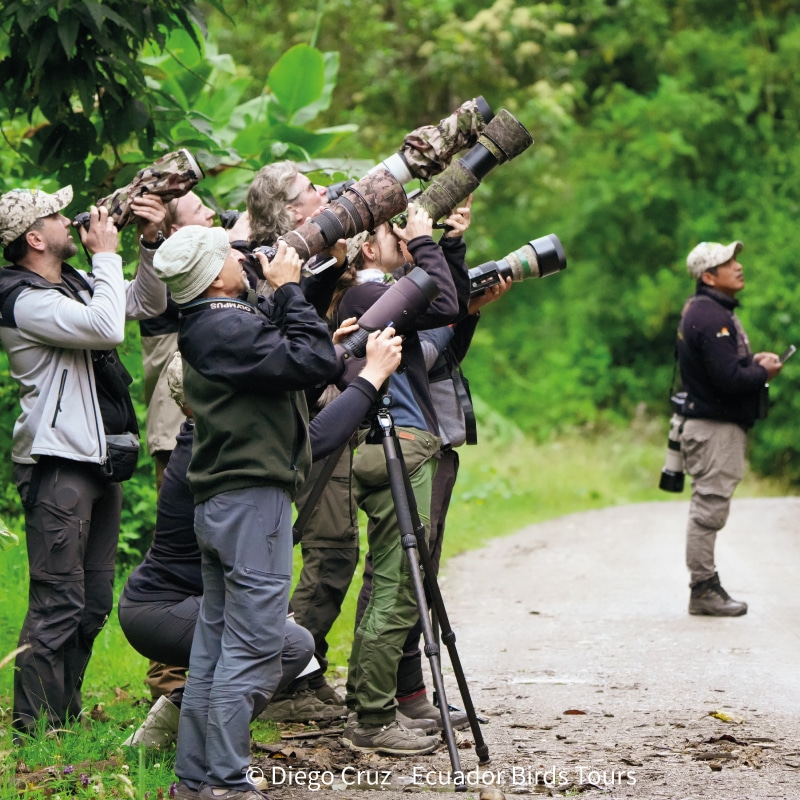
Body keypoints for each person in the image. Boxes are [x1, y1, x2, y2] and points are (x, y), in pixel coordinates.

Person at [118, 328, 404, 750]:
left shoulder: (217, 435)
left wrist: (330, 356)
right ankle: (206, 746)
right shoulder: (208, 448)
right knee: (288, 645)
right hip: (162, 610)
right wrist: (371, 376)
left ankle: (172, 728)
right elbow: (314, 439)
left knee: (280, 642)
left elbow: (288, 417)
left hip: (184, 603)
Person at [151, 224, 341, 799]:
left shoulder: (213, 324)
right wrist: (288, 290)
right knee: (255, 647)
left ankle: (195, 779)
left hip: (225, 503)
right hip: (250, 502)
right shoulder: (224, 325)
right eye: (228, 255)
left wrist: (290, 297)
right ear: (214, 277)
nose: (241, 257)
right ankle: (228, 783)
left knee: (213, 651)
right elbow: (314, 361)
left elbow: (288, 363)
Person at [0, 186, 167, 740]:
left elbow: (144, 304)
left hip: (98, 461)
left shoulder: (69, 283)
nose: (69, 220)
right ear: (34, 236)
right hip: (58, 466)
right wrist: (103, 253)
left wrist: (146, 244)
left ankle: (62, 717)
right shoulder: (21, 299)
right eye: (55, 215)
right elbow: (107, 327)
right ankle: (32, 729)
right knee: (57, 601)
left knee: (92, 603)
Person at [335, 202, 466, 756]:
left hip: (397, 447)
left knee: (393, 585)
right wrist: (426, 239)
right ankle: (370, 716)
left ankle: (375, 703)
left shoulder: (373, 297)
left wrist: (450, 245)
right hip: (400, 449)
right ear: (368, 246)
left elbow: (447, 317)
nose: (406, 240)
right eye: (393, 233)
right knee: (396, 590)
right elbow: (443, 296)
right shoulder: (369, 296)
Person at [246, 161, 354, 720]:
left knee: (324, 554)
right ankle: (281, 684)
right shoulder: (266, 269)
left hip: (311, 418)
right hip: (291, 432)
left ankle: (301, 676)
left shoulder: (307, 259)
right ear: (291, 211)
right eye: (312, 190)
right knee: (323, 553)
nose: (325, 196)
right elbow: (294, 343)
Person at [677, 240, 782, 616]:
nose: (737, 266)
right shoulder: (711, 316)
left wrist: (752, 361)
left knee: (709, 507)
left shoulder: (705, 310)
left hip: (709, 425)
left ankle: (704, 586)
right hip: (713, 429)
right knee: (708, 510)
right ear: (709, 276)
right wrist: (762, 372)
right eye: (727, 262)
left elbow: (718, 368)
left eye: (736, 258)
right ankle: (702, 589)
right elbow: (727, 380)